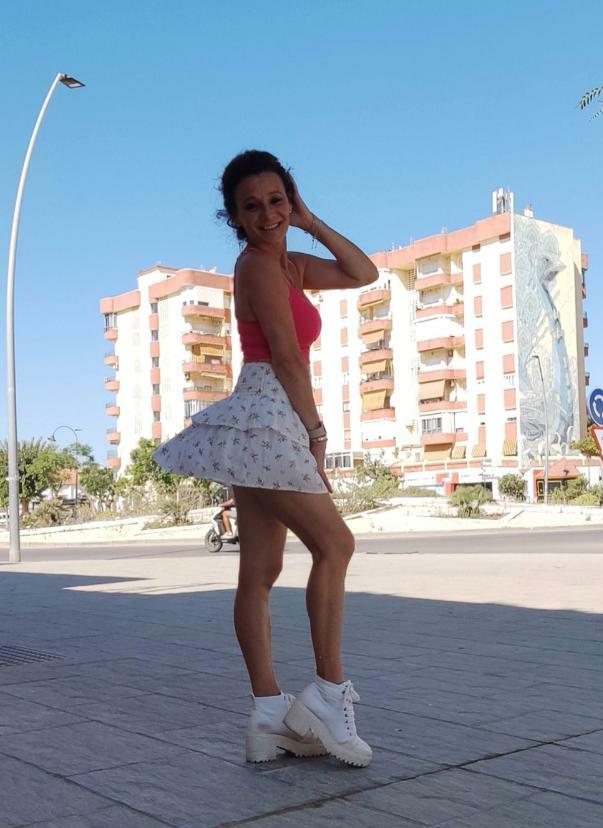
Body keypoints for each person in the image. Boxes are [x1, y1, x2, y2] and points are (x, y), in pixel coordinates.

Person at [153, 150, 378, 767]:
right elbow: (285, 355)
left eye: (277, 200)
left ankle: (269, 715)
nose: (267, 214)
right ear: (234, 217)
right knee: (336, 545)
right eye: (251, 206)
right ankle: (327, 694)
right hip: (271, 413)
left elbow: (363, 272)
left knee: (260, 568)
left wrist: (309, 221)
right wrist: (316, 431)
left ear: (291, 199)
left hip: (258, 417)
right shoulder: (256, 266)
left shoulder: (290, 264)